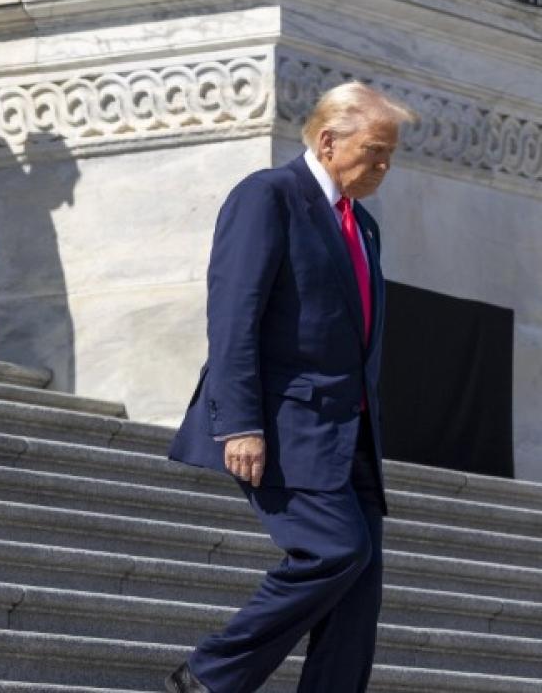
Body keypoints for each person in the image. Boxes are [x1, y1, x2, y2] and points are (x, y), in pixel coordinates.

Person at [165, 81, 417, 693]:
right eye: (375, 151)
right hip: (283, 424)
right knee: (334, 550)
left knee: (359, 592)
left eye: (390, 154)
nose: (384, 166)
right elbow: (234, 315)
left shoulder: (364, 225)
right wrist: (239, 423)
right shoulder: (268, 196)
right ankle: (210, 676)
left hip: (349, 432)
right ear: (328, 141)